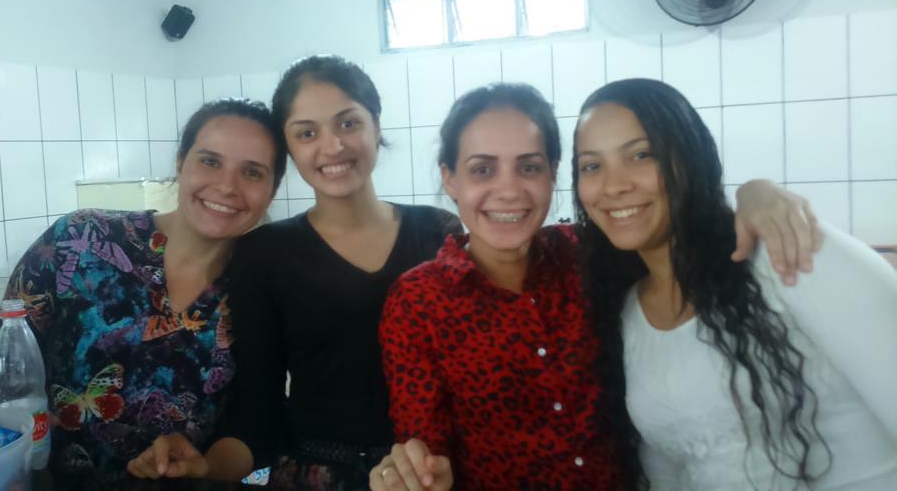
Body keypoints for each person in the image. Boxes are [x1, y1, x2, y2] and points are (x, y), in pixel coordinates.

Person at [368, 83, 823, 491]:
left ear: (553, 174)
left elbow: (681, 229)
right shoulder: (418, 302)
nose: (508, 191)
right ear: (450, 178)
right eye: (482, 170)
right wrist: (418, 476)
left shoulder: (592, 253)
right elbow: (425, 451)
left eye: (529, 167)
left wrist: (755, 192)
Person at [128, 55, 462, 489]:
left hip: (428, 472)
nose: (333, 146)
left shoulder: (438, 231)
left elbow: (467, 372)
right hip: (311, 475)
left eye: (348, 123)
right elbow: (258, 406)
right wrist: (207, 467)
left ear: (376, 127)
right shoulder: (265, 252)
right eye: (307, 132)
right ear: (289, 148)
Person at [572, 78, 897, 489]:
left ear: (690, 158)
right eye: (592, 166)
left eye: (641, 155)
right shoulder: (627, 314)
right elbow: (668, 473)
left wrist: (756, 189)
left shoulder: (792, 254)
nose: (614, 185)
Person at [0, 98, 287, 486]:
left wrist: (205, 466)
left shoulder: (261, 288)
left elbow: (257, 420)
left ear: (272, 189)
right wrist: (4, 438)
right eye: (210, 161)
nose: (227, 186)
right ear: (180, 163)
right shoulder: (81, 239)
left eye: (252, 172)